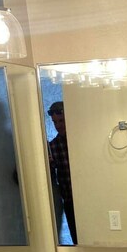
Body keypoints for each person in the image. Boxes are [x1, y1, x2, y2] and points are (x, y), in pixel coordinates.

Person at [47, 101, 77, 244]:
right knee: (78, 242)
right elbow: (48, 176)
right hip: (69, 202)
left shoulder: (81, 140)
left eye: (61, 120)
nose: (58, 125)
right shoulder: (52, 146)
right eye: (54, 122)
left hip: (89, 199)